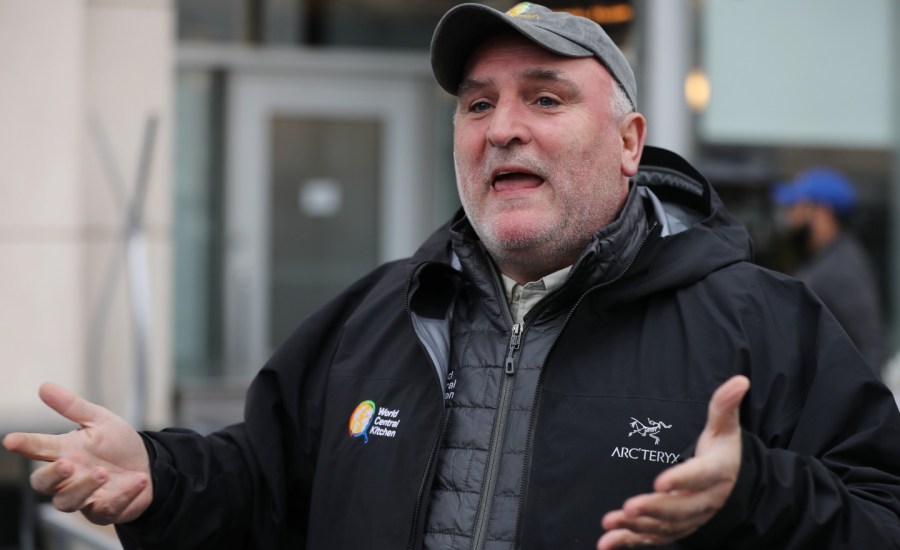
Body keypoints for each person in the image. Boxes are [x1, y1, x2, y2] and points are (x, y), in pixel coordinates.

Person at [5, 3, 900, 549]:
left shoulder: (760, 320)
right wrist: (159, 475)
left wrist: (755, 501)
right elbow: (262, 484)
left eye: (545, 99)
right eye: (478, 104)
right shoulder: (378, 313)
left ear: (629, 144)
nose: (501, 127)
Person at [772, 167, 887, 374]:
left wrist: (857, 405)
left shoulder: (842, 267)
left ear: (822, 213)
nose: (790, 217)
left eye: (796, 207)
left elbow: (871, 345)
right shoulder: (822, 259)